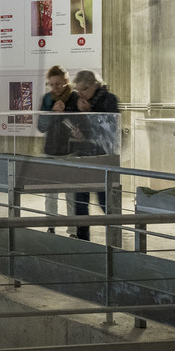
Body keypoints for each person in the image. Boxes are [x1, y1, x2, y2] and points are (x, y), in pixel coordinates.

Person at [67, 69, 120, 237]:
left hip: (102, 156)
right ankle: (83, 239)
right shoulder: (79, 101)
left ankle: (114, 237)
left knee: (104, 200)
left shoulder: (109, 100)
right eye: (77, 90)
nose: (80, 94)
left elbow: (109, 129)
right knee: (80, 202)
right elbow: (70, 120)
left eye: (83, 90)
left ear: (93, 86)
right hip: (81, 156)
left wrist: (88, 114)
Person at [36, 66, 75, 227]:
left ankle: (73, 230)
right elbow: (41, 126)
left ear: (66, 82)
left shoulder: (74, 98)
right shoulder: (47, 99)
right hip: (50, 151)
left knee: (72, 194)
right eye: (51, 84)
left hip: (71, 152)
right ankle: (51, 226)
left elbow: (83, 122)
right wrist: (52, 113)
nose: (55, 88)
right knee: (50, 194)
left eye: (58, 84)